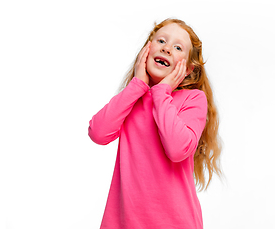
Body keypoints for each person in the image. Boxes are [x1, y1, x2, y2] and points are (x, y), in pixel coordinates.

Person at [88, 18, 222, 229]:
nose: (167, 48)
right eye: (161, 41)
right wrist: (137, 85)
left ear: (187, 69)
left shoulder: (193, 99)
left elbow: (177, 149)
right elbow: (98, 132)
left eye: (177, 47)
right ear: (146, 51)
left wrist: (161, 92)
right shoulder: (132, 99)